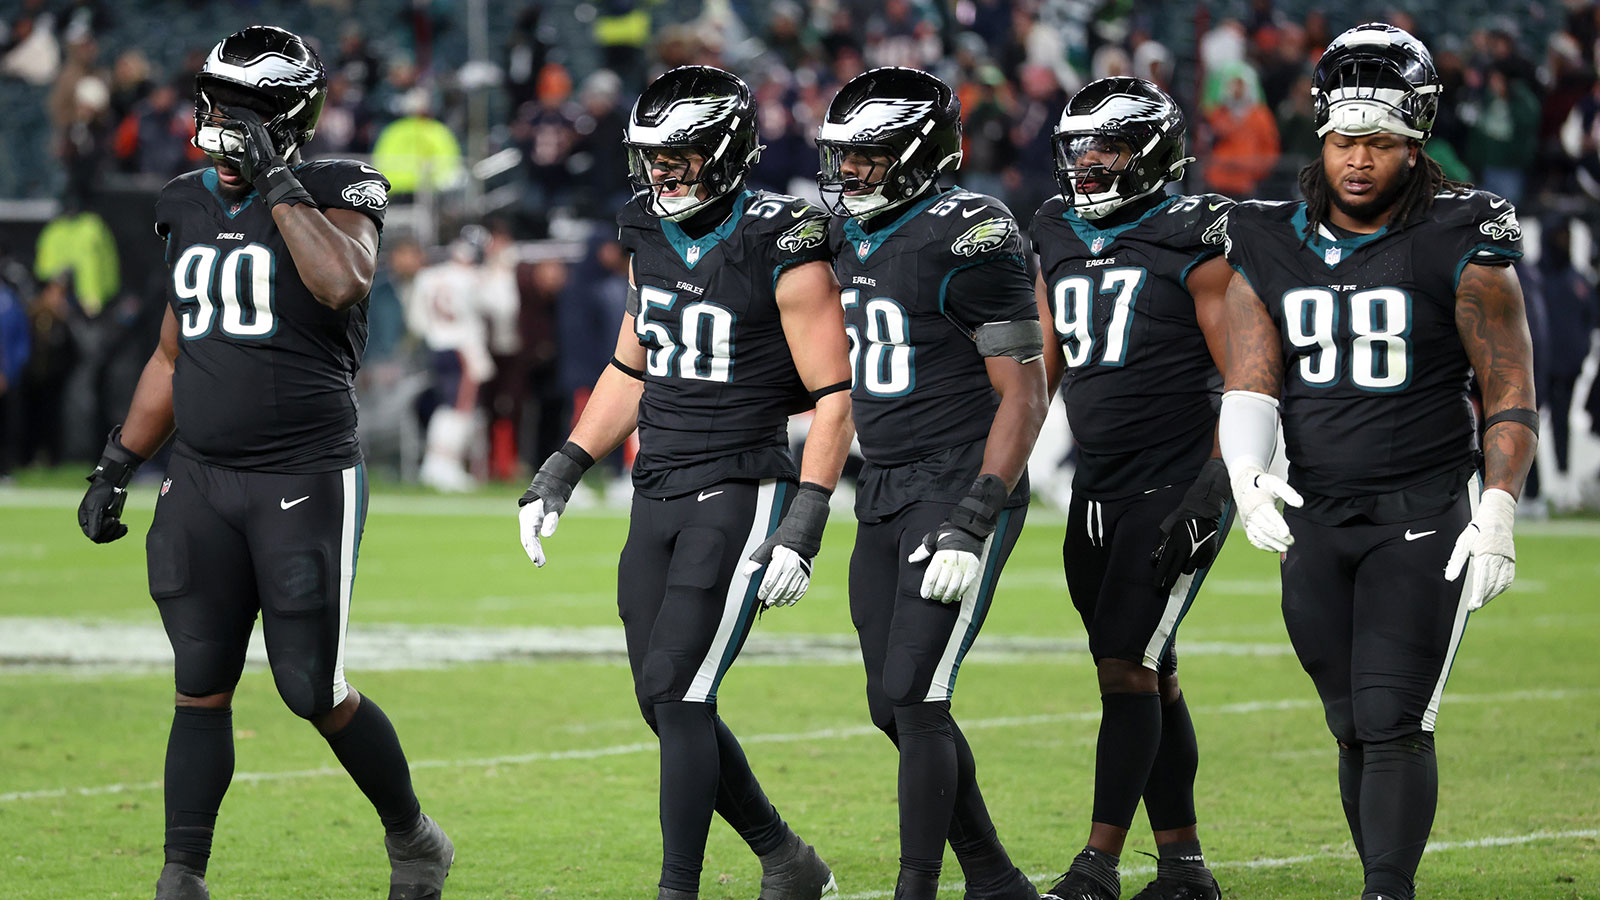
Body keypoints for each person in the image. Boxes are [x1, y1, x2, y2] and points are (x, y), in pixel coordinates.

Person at [73, 27, 453, 900]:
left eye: (236, 115)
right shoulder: (181, 202)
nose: (216, 128)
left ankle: (413, 838)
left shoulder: (337, 188)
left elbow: (342, 282)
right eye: (211, 110)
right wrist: (116, 460)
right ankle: (182, 878)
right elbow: (173, 354)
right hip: (202, 476)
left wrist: (278, 179)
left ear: (285, 123)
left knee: (308, 686)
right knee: (198, 682)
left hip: (304, 474)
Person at [516, 65, 854, 900]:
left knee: (678, 686)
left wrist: (806, 520)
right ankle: (786, 857)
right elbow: (632, 365)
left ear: (726, 153)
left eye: (681, 153)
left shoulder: (783, 237)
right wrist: (563, 465)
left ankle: (680, 888)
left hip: (741, 484)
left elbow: (833, 394)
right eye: (653, 154)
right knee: (664, 699)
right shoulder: (645, 228)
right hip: (657, 482)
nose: (661, 170)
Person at [1219, 24, 1535, 900]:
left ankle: (1385, 890)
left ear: (1416, 140)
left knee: (1395, 719)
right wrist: (1248, 474)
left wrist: (1499, 503)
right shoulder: (1266, 235)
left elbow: (1508, 386)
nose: (1359, 159)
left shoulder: (1461, 231)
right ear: (1321, 132)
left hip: (1426, 507)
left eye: (1382, 142)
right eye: (1345, 139)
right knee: (1352, 722)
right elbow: (1252, 376)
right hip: (1316, 509)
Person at [816, 66, 1047, 900]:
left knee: (917, 692)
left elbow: (1025, 388)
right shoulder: (848, 236)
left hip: (957, 480)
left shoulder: (972, 230)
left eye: (868, 158)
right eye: (844, 156)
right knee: (892, 704)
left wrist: (977, 514)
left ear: (918, 156)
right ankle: (993, 877)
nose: (849, 173)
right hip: (881, 484)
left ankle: (919, 886)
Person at [1030, 78, 1233, 900]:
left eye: (1106, 147)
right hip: (1096, 489)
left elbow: (1247, 376)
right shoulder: (1055, 227)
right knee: (1154, 671)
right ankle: (1184, 867)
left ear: (1149, 151)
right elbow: (1043, 362)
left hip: (1171, 484)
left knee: (1126, 670)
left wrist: (1213, 490)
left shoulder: (1195, 233)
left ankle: (1097, 866)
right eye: (1079, 146)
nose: (1087, 163)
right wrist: (1001, 466)